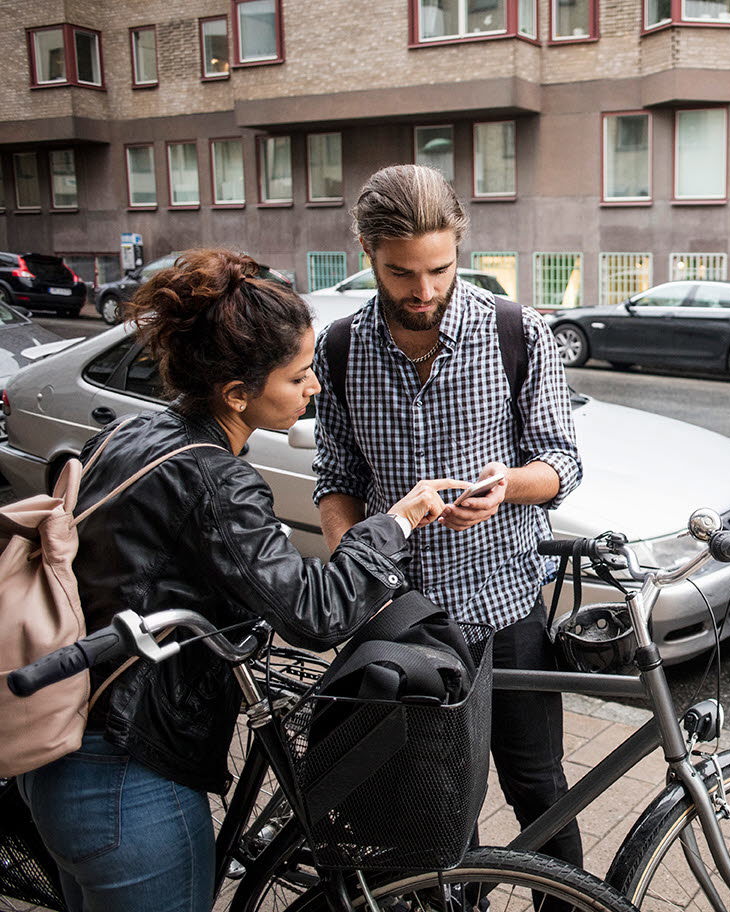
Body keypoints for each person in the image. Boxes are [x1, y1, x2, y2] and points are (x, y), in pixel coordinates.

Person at [15, 249, 459, 912]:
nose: (313, 388)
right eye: (299, 375)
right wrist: (396, 522)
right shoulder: (213, 479)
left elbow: (159, 575)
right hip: (127, 783)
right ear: (236, 393)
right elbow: (314, 613)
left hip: (68, 751)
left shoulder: (138, 433)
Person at [312, 165, 584, 876]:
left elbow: (562, 463)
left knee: (541, 793)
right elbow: (337, 479)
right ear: (367, 251)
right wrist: (353, 571)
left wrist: (507, 486)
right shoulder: (338, 349)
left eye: (439, 268)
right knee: (429, 814)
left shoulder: (519, 332)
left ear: (459, 249)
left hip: (507, 609)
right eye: (402, 272)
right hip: (402, 627)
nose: (424, 291)